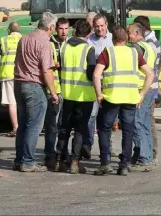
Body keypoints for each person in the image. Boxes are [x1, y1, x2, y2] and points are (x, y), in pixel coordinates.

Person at [93, 26, 154, 176]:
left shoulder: (107, 52)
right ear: (126, 39)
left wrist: (99, 94)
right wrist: (142, 94)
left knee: (105, 129)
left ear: (113, 39)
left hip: (111, 98)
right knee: (128, 131)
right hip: (130, 98)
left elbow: (96, 75)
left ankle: (105, 163)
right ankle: (124, 165)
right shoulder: (134, 53)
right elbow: (150, 74)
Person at [13, 12, 59, 173]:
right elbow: (46, 71)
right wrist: (53, 92)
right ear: (51, 27)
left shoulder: (24, 38)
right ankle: (28, 161)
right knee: (34, 126)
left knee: (23, 124)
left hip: (19, 83)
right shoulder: (45, 43)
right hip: (34, 86)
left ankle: (19, 160)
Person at [55, 19, 96, 174]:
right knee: (79, 129)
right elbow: (92, 73)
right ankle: (74, 162)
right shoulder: (88, 49)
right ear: (89, 33)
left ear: (74, 31)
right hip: (84, 96)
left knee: (64, 128)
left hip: (67, 94)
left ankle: (59, 161)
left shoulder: (64, 47)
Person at [127, 22, 157, 172]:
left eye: (129, 33)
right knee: (144, 125)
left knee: (136, 124)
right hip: (148, 89)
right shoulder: (149, 47)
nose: (128, 36)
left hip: (140, 90)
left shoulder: (136, 48)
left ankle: (144, 159)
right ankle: (148, 157)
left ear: (137, 34)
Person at [86, 13, 115, 158]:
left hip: (110, 84)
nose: (99, 29)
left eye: (102, 26)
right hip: (95, 83)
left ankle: (108, 148)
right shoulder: (89, 40)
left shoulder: (112, 39)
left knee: (108, 119)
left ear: (106, 25)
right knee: (92, 116)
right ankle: (88, 145)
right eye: (96, 26)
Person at [134, 15, 161, 166]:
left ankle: (150, 153)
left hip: (147, 87)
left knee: (146, 122)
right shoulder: (152, 42)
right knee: (146, 121)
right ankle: (146, 152)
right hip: (150, 86)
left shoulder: (147, 45)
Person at [43, 17, 69, 169]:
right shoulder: (49, 43)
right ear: (55, 28)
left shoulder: (71, 44)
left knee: (65, 125)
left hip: (68, 90)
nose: (64, 32)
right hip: (53, 90)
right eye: (61, 29)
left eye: (66, 29)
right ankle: (50, 155)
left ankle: (62, 153)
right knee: (52, 125)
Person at [0, 22, 22, 137]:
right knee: (24, 101)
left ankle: (16, 128)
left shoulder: (4, 40)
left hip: (8, 73)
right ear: (19, 30)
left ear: (9, 31)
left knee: (12, 102)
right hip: (23, 74)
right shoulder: (24, 39)